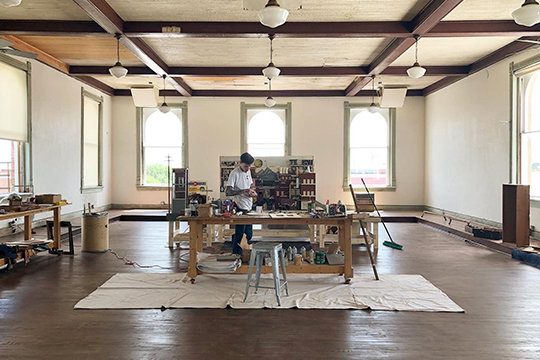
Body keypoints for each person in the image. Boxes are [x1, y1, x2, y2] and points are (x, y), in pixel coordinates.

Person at [226, 152, 257, 257]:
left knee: (249, 234)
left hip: (248, 206)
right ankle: (236, 255)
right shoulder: (234, 174)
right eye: (245, 166)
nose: (248, 168)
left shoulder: (248, 172)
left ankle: (241, 249)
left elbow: (248, 186)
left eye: (249, 166)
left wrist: (251, 192)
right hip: (239, 207)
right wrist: (242, 191)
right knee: (240, 234)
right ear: (240, 163)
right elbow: (228, 192)